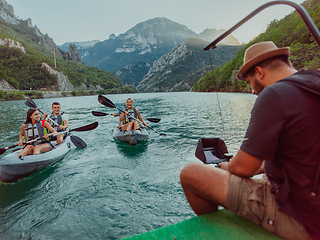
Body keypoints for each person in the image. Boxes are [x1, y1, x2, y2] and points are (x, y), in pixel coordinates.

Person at [180, 41, 320, 240]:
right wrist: (262, 167)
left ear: (259, 72)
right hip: (311, 201)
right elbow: (303, 153)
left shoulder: (274, 94)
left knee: (190, 174)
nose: (253, 91)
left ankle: (224, 235)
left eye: (250, 82)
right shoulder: (313, 82)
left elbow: (242, 169)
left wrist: (224, 166)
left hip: (303, 218)